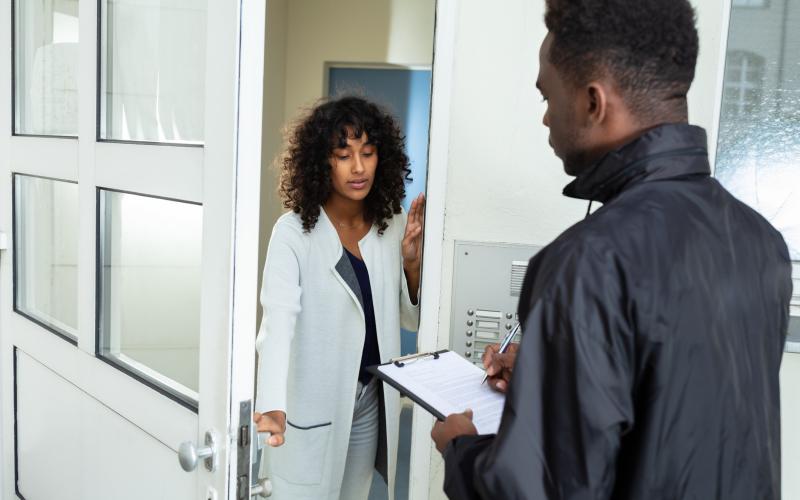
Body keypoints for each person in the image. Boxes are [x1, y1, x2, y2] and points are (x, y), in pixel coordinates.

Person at [431, 0, 793, 498]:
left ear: (593, 102)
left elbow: (533, 490)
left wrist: (460, 451)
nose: (545, 120)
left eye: (546, 96)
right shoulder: (761, 242)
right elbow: (686, 419)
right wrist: (553, 384)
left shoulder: (585, 264)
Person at [253, 96, 423, 499]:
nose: (359, 167)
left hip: (368, 397)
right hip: (312, 404)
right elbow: (276, 324)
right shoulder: (293, 232)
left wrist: (412, 265)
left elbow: (407, 318)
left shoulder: (391, 223)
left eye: (368, 152)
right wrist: (273, 402)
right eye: (343, 155)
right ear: (321, 161)